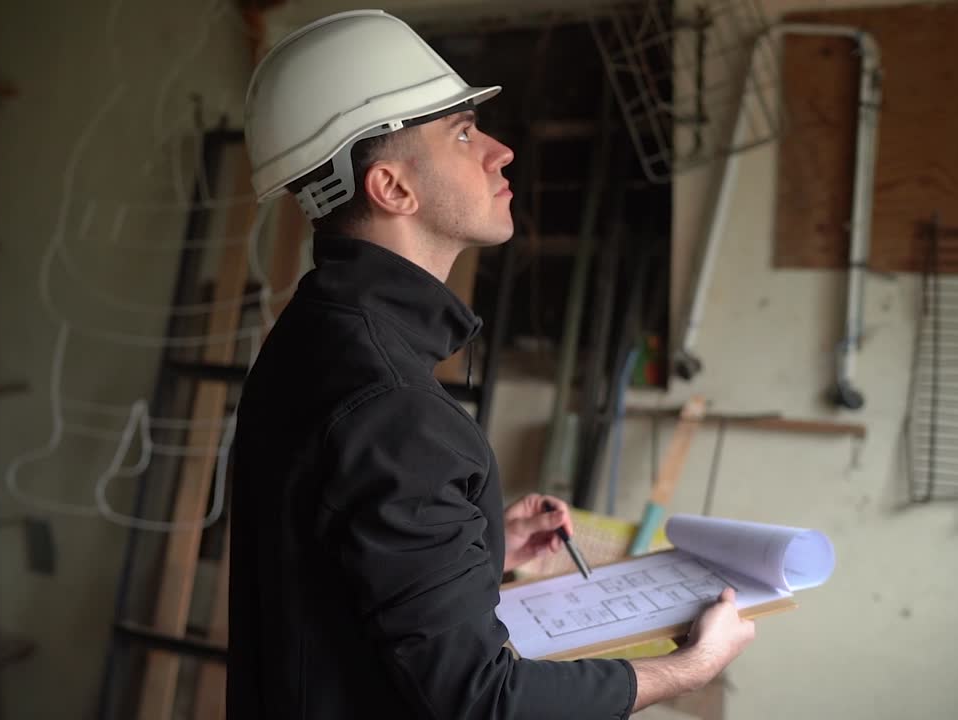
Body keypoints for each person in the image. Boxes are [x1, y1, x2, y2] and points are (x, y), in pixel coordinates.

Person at [228, 10, 754, 719]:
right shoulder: (393, 404)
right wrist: (685, 669)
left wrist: (476, 546)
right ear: (393, 189)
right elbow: (482, 701)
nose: (500, 151)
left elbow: (329, 568)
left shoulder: (314, 334)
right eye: (463, 133)